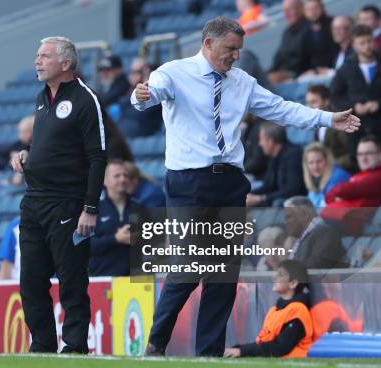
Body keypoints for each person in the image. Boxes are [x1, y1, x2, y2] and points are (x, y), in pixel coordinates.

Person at [131, 17, 359, 357]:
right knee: (189, 265)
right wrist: (142, 95)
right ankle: (157, 342)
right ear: (208, 44)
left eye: (239, 49)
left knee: (223, 273)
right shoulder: (173, 72)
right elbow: (150, 95)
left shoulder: (243, 82)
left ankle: (208, 353)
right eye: (230, 49)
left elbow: (282, 109)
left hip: (230, 183)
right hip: (188, 181)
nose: (236, 56)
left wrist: (327, 118)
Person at [10, 36, 107, 354]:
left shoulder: (85, 99)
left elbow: (97, 157)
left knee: (72, 281)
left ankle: (76, 347)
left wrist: (90, 208)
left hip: (68, 203)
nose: (37, 61)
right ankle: (41, 346)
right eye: (37, 56)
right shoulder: (41, 96)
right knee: (31, 281)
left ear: (66, 63)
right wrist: (27, 155)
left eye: (44, 56)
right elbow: (47, 145)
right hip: (34, 202)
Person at [224, 260, 313, 358]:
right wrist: (239, 349)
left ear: (293, 283)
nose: (275, 278)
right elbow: (264, 341)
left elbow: (280, 347)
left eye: (281, 275)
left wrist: (242, 351)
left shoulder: (298, 310)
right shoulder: (274, 310)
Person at [330, 25, 381, 162]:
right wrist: (354, 106)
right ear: (354, 45)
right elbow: (335, 96)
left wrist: (378, 104)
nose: (367, 46)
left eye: (369, 41)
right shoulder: (346, 68)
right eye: (362, 43)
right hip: (358, 127)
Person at [90, 160, 143, 276]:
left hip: (135, 282)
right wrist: (115, 238)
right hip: (101, 280)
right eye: (117, 176)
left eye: (125, 175)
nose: (123, 179)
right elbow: (85, 247)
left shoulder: (140, 208)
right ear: (104, 180)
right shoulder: (93, 211)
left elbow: (153, 243)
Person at [322, 135, 381, 235]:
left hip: (350, 224)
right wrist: (340, 195)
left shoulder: (378, 176)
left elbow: (346, 190)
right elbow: (329, 196)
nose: (363, 158)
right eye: (360, 154)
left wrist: (340, 195)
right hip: (336, 219)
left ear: (380, 155)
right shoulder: (358, 176)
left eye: (369, 153)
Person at [247, 123, 307, 207]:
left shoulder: (294, 154)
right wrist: (247, 195)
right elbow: (268, 186)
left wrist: (261, 198)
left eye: (261, 139)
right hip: (277, 198)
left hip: (293, 201)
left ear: (270, 141)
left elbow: (292, 189)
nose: (260, 144)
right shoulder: (273, 156)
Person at [284, 196, 347, 269]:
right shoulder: (305, 236)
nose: (286, 222)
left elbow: (314, 270)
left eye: (289, 217)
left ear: (304, 214)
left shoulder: (324, 233)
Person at [306, 85, 352, 171]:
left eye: (313, 102)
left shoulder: (340, 123)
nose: (309, 107)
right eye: (308, 103)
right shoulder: (316, 124)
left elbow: (351, 153)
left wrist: (330, 166)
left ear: (326, 101)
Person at [116, 58, 163, 137]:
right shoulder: (124, 93)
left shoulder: (155, 96)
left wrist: (148, 82)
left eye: (136, 72)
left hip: (145, 143)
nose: (131, 75)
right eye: (131, 72)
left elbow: (140, 114)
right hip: (125, 142)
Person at [268, 0, 309, 84]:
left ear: (301, 9)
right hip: (283, 74)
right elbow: (278, 59)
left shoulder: (310, 30)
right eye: (285, 11)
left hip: (298, 74)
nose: (287, 14)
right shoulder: (287, 33)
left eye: (290, 10)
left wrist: (289, 74)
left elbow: (306, 60)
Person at [302, 142, 351, 208]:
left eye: (319, 161)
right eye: (311, 163)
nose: (315, 167)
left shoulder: (338, 177)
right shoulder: (315, 180)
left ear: (327, 160)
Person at [299, 0, 338, 78]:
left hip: (334, 70)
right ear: (304, 12)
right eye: (309, 10)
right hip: (315, 73)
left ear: (322, 8)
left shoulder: (334, 25)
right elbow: (304, 58)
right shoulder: (304, 33)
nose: (313, 12)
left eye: (315, 8)